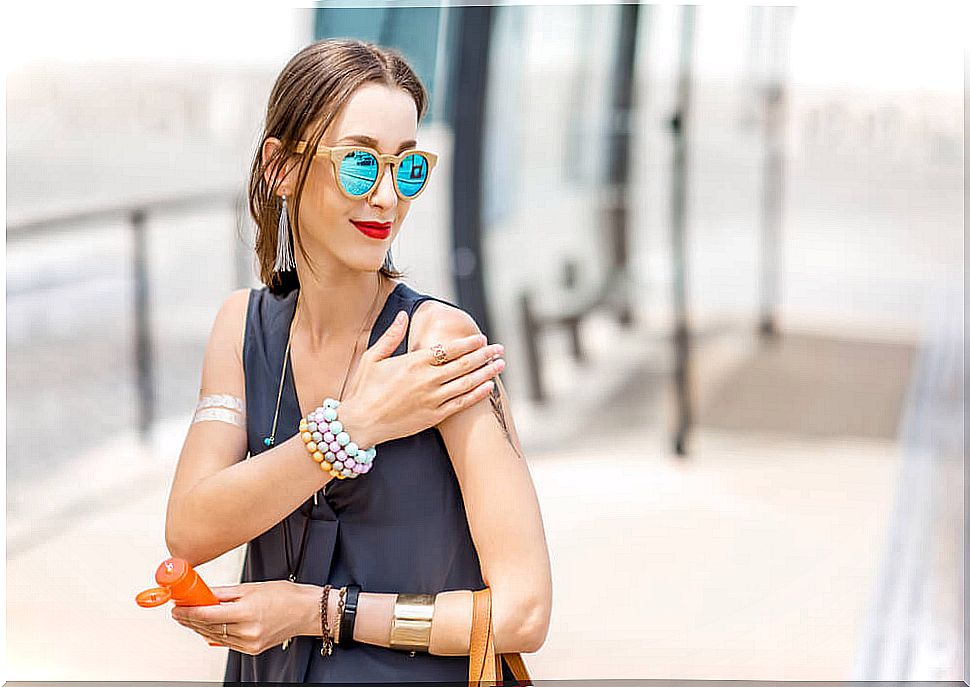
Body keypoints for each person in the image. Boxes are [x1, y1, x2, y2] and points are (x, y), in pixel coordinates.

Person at [164, 38, 553, 683]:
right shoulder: (242, 328)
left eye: (406, 168)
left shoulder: (439, 343)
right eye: (359, 165)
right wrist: (348, 430)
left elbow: (525, 612)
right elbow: (190, 531)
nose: (385, 197)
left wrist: (317, 612)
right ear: (281, 170)